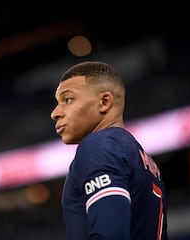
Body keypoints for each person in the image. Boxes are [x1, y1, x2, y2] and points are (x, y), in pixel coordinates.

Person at [50, 61, 168, 240]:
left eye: (68, 99)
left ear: (104, 102)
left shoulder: (98, 146)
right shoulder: (140, 156)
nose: (55, 113)